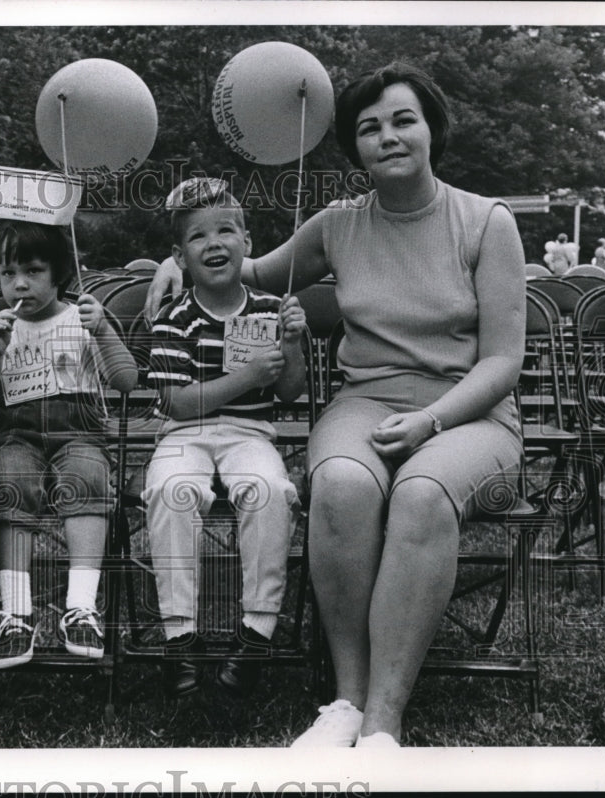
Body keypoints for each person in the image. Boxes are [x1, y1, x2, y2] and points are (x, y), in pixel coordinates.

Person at [145, 64, 525, 745]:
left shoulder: (485, 222)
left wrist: (432, 421)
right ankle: (345, 702)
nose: (388, 137)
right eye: (369, 128)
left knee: (422, 493)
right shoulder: (339, 224)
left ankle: (383, 722)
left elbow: (502, 360)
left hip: (468, 412)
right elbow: (246, 271)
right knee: (342, 484)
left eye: (403, 120)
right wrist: (174, 263)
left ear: (432, 128)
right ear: (355, 149)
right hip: (367, 399)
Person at [142, 178, 307, 699]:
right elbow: (175, 401)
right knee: (173, 492)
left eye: (226, 231)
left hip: (249, 432)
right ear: (180, 256)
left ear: (248, 242)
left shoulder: (267, 309)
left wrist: (293, 344)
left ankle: (256, 631)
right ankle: (179, 636)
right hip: (183, 435)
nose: (214, 243)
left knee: (269, 492)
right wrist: (245, 377)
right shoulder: (175, 318)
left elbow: (288, 390)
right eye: (198, 237)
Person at [0, 220, 137, 667]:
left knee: (86, 476)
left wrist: (102, 331)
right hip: (16, 433)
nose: (20, 283)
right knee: (11, 481)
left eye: (33, 270)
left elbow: (126, 379)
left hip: (78, 429)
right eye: (7, 274)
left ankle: (81, 606)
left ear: (59, 272)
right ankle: (16, 611)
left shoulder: (83, 316)